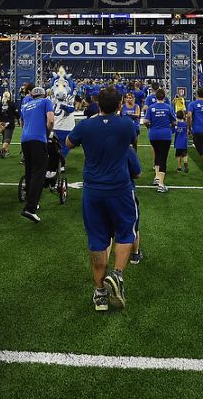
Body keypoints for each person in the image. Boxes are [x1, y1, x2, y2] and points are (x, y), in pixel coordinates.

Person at [65, 87, 138, 312]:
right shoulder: (126, 125)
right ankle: (116, 275)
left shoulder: (86, 126)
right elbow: (131, 140)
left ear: (97, 104)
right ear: (119, 106)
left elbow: (68, 143)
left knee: (97, 240)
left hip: (93, 190)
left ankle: (100, 294)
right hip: (119, 189)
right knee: (126, 232)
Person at [19, 86, 55, 223]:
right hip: (38, 140)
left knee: (29, 172)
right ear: (43, 94)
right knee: (38, 174)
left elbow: (21, 123)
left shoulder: (26, 104)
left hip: (25, 140)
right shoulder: (46, 102)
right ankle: (30, 208)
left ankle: (31, 202)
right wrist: (48, 132)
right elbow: (50, 120)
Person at [142, 88, 175, 193]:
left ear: (156, 97)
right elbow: (174, 122)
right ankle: (161, 184)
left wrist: (150, 125)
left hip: (154, 135)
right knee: (163, 158)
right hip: (165, 135)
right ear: (164, 97)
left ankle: (157, 177)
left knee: (157, 154)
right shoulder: (168, 107)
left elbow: (145, 121)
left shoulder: (151, 107)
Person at [0, 90, 18, 159]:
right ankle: (3, 150)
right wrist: (18, 119)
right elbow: (17, 114)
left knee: (4, 136)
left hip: (1, 123)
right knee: (7, 138)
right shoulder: (12, 104)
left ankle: (6, 150)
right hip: (9, 123)